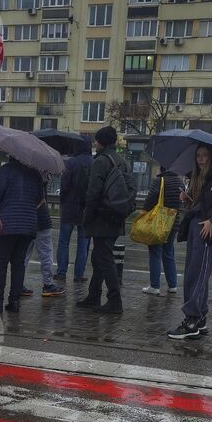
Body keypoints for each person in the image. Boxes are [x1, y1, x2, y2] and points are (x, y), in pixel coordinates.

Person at [167, 144, 212, 340]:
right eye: (198, 155)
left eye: (204, 156)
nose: (200, 159)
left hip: (208, 231)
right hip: (195, 227)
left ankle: (192, 319)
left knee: (196, 275)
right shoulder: (197, 177)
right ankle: (200, 318)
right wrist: (187, 199)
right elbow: (199, 204)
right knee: (196, 273)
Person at [80, 126, 135, 314]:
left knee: (104, 258)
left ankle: (114, 300)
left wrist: (87, 217)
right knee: (99, 257)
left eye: (96, 141)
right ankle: (94, 295)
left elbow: (93, 192)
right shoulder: (121, 161)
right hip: (117, 215)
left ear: (101, 142)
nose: (95, 144)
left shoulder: (101, 161)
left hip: (102, 217)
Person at [0, 157, 45, 314]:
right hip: (28, 226)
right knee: (19, 264)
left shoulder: (6, 171)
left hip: (5, 226)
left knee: (0, 264)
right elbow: (40, 198)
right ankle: (15, 302)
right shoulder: (35, 174)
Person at [139, 166, 184, 296]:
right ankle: (172, 285)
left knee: (155, 251)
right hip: (173, 223)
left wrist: (144, 211)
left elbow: (151, 198)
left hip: (158, 223)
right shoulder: (179, 181)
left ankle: (155, 286)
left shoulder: (161, 180)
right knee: (169, 252)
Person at [55, 137, 93, 283]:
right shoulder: (94, 162)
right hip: (86, 209)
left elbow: (64, 186)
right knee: (83, 243)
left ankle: (61, 272)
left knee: (64, 241)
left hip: (70, 207)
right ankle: (78, 275)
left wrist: (63, 201)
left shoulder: (71, 162)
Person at [22, 199, 64, 297]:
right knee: (46, 254)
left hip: (25, 221)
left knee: (23, 255)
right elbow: (41, 200)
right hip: (41, 221)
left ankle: (17, 284)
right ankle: (48, 284)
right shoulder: (38, 184)